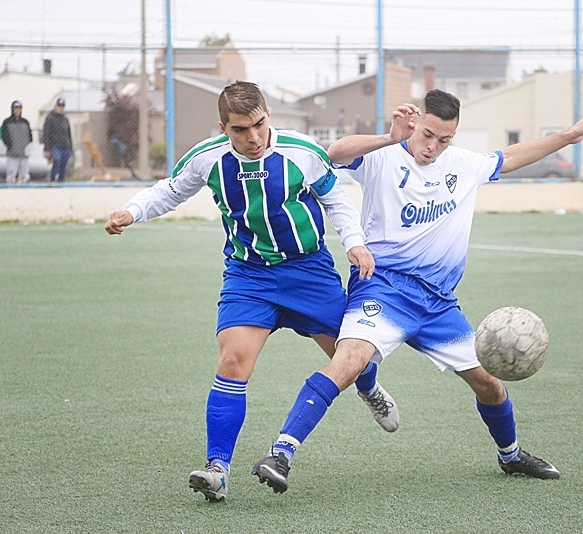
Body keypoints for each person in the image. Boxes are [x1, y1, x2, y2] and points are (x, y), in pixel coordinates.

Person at [252, 89, 583, 493]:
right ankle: (281, 453)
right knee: (348, 360)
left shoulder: (463, 165)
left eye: (444, 139)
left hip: (438, 304)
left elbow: (509, 158)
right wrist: (389, 136)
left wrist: (569, 135)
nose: (433, 147)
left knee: (488, 382)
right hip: (383, 289)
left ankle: (510, 455)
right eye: (427, 135)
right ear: (415, 122)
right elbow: (332, 154)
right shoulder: (384, 155)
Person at [104, 81, 398, 503]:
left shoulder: (301, 152)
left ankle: (369, 388)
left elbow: (336, 200)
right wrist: (130, 211)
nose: (253, 137)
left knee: (349, 358)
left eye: (259, 124)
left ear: (268, 116)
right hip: (249, 276)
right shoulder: (208, 158)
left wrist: (353, 241)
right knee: (232, 359)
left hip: (308, 272)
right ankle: (217, 469)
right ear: (224, 127)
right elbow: (169, 191)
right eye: (241, 129)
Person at [1, 100, 33, 184]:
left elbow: (30, 136)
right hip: (12, 154)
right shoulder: (7, 122)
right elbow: (4, 136)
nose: (17, 111)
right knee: (11, 175)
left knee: (24, 176)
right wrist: (10, 146)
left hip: (24, 154)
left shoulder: (25, 122)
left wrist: (28, 147)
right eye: (15, 109)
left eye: (19, 109)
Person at [42, 97, 72, 182]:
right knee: (57, 159)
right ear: (55, 106)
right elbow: (46, 134)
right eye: (59, 106)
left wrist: (70, 147)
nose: (60, 108)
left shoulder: (65, 119)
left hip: (65, 146)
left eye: (62, 107)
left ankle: (61, 179)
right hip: (55, 146)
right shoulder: (50, 118)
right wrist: (47, 148)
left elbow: (69, 134)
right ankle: (52, 178)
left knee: (64, 163)